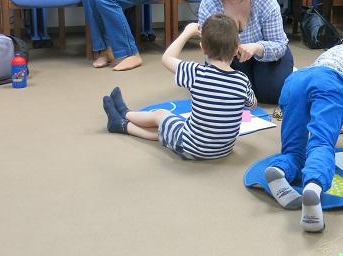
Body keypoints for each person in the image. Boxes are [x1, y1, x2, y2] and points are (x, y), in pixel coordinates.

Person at [263, 14, 343, 233]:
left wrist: (327, 121)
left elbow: (313, 91)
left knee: (294, 148)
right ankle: (313, 186)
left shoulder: (337, 49)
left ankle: (279, 170)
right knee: (322, 144)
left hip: (296, 81)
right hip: (330, 85)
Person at [101, 14, 256, 160]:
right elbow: (252, 104)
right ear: (236, 50)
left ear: (202, 48)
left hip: (190, 147)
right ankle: (121, 123)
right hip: (223, 150)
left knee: (161, 115)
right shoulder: (242, 80)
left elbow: (167, 58)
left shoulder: (196, 72)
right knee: (174, 127)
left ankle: (125, 115)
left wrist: (186, 33)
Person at [197, 0, 293, 104]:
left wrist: (256, 48)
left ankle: (284, 74)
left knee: (273, 93)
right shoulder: (210, 2)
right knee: (232, 94)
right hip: (230, 58)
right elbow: (210, 50)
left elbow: (279, 44)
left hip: (266, 54)